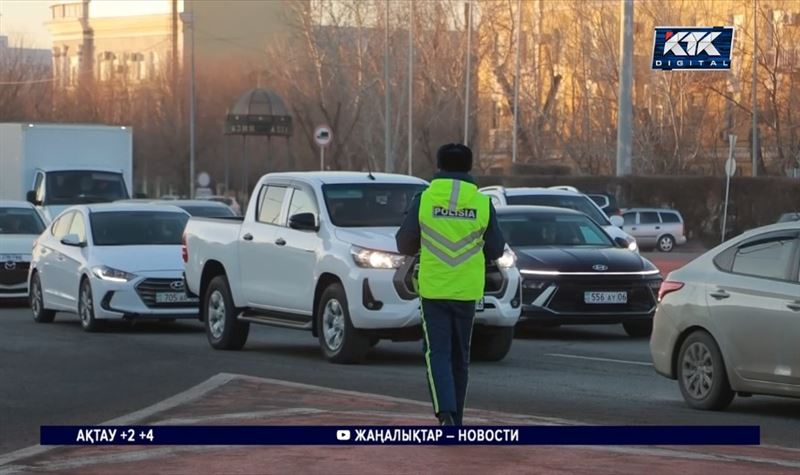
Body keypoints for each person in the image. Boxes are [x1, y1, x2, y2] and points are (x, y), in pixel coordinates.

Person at [395, 143, 505, 426]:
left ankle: (446, 413)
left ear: (439, 166)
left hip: (433, 289)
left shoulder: (424, 199)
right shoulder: (483, 203)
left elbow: (404, 243)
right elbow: (496, 249)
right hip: (467, 290)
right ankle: (458, 415)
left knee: (437, 353)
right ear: (470, 167)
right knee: (461, 355)